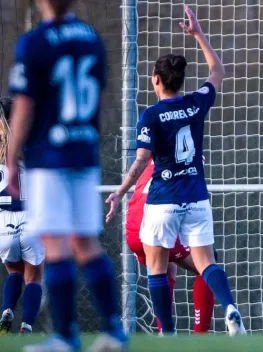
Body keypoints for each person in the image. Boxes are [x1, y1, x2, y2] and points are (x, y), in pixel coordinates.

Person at [106, 6, 245, 336]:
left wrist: (120, 191)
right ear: (181, 80)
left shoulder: (151, 115)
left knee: (157, 268)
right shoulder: (197, 103)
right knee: (206, 263)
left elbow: (141, 161)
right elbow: (217, 70)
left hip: (163, 201)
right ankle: (230, 309)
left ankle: (167, 336)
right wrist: (198, 34)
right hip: (197, 197)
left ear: (155, 79)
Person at [7, 0, 127, 350]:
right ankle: (114, 331)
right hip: (84, 152)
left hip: (49, 155)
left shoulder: (35, 42)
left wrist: (13, 159)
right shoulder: (91, 38)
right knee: (85, 243)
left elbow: (25, 106)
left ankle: (66, 336)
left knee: (56, 244)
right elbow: (98, 96)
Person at [126, 159, 215, 333]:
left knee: (165, 267)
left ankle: (164, 332)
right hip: (155, 226)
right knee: (206, 266)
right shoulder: (186, 157)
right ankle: (201, 335)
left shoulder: (147, 159)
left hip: (133, 231)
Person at [0, 97, 44, 335]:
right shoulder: (28, 142)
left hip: (2, 221)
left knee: (14, 272)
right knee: (35, 277)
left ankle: (7, 310)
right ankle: (26, 324)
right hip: (30, 217)